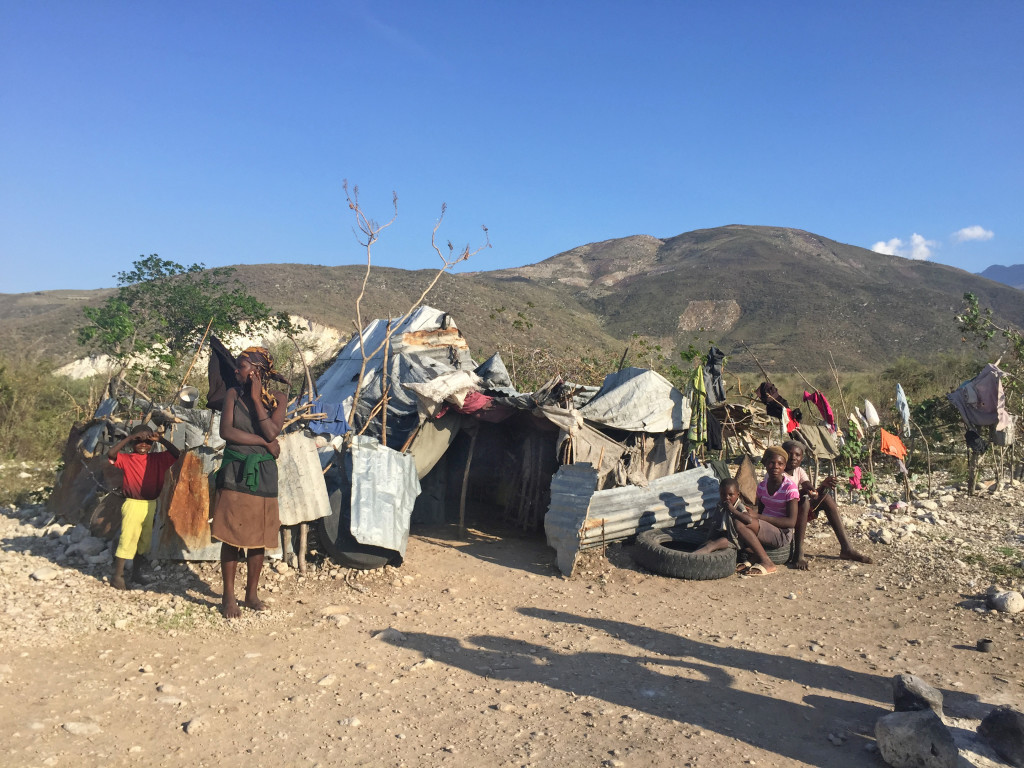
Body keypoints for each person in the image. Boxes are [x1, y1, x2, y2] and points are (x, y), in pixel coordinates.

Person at [212, 346, 288, 619]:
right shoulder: (232, 394)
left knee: (258, 538)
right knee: (232, 536)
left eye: (242, 366)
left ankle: (252, 594)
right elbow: (226, 432)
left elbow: (272, 430)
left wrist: (257, 400)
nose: (236, 370)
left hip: (264, 474)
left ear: (256, 372)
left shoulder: (278, 398)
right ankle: (228, 596)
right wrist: (264, 444)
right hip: (235, 469)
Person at [107, 425, 180, 590]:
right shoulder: (127, 459)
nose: (143, 445)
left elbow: (176, 454)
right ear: (132, 443)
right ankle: (117, 576)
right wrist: (130, 437)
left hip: (151, 504)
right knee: (127, 539)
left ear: (152, 444)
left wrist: (160, 439)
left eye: (147, 442)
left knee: (144, 541)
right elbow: (111, 454)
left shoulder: (157, 459)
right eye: (139, 441)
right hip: (133, 504)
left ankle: (136, 573)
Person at [782, 440, 873, 569]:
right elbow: (791, 496)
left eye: (797, 455)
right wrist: (810, 492)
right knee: (804, 501)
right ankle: (798, 552)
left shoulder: (799, 470)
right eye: (789, 453)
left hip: (796, 507)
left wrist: (820, 488)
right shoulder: (778, 472)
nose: (793, 457)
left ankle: (847, 548)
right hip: (783, 511)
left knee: (826, 498)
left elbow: (808, 487)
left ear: (801, 458)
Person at [693, 477, 779, 576]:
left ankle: (690, 558)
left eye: (731, 495)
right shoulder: (720, 505)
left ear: (737, 494)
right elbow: (715, 523)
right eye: (723, 494)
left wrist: (732, 510)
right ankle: (692, 554)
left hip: (735, 539)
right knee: (709, 542)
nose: (727, 498)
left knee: (712, 546)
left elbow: (748, 520)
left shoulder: (739, 506)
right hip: (727, 536)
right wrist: (709, 537)